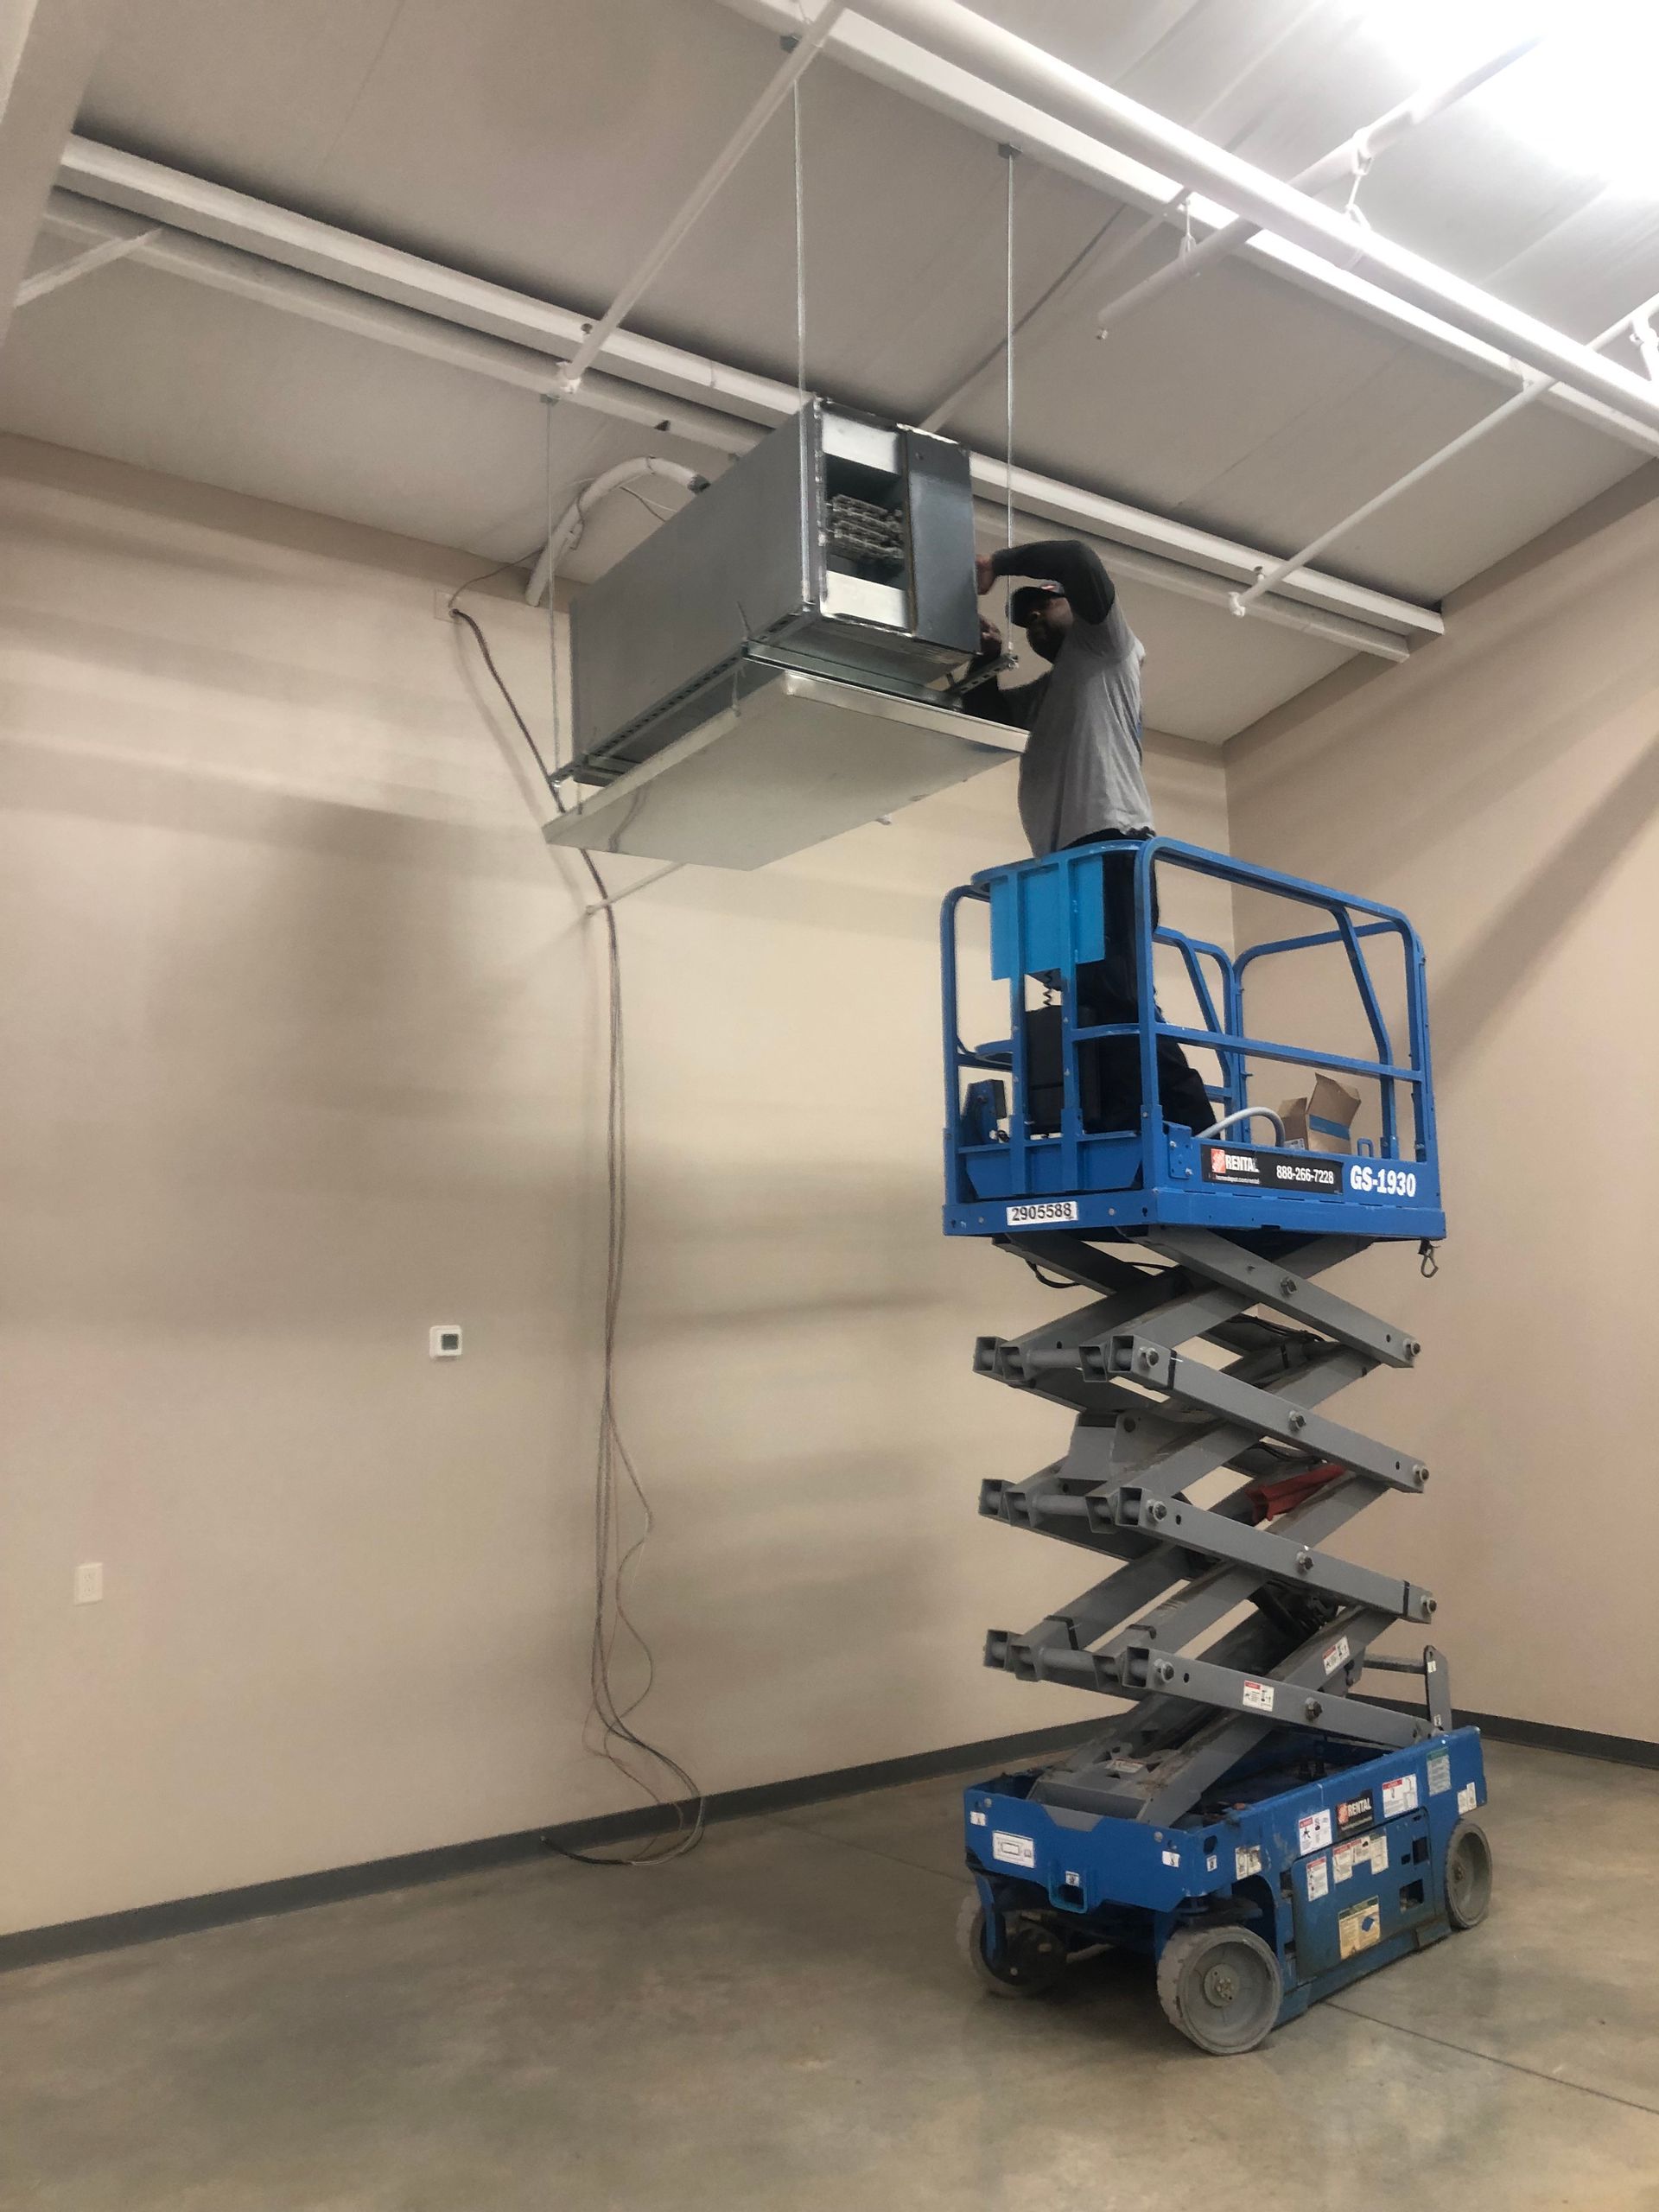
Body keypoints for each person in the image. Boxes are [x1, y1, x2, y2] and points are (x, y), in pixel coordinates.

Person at [962, 537, 1214, 1138]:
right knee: (1087, 1006)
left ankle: (1195, 1132)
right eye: (1023, 622)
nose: (1033, 624)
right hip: (1062, 868)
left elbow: (1077, 558)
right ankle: (1122, 1121)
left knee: (1120, 1001)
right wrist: (984, 660)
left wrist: (997, 565)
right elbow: (984, 721)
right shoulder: (1050, 692)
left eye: (1043, 607)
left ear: (1075, 605)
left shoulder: (1108, 649)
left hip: (1110, 847)